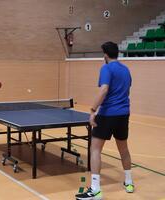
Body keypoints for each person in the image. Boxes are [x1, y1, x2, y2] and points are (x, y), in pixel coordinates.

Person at [75, 41, 134, 200]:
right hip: (123, 114)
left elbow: (104, 89)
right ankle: (129, 182)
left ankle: (95, 190)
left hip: (107, 114)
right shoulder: (126, 70)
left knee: (95, 149)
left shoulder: (106, 68)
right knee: (124, 149)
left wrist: (93, 110)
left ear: (105, 55)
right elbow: (127, 90)